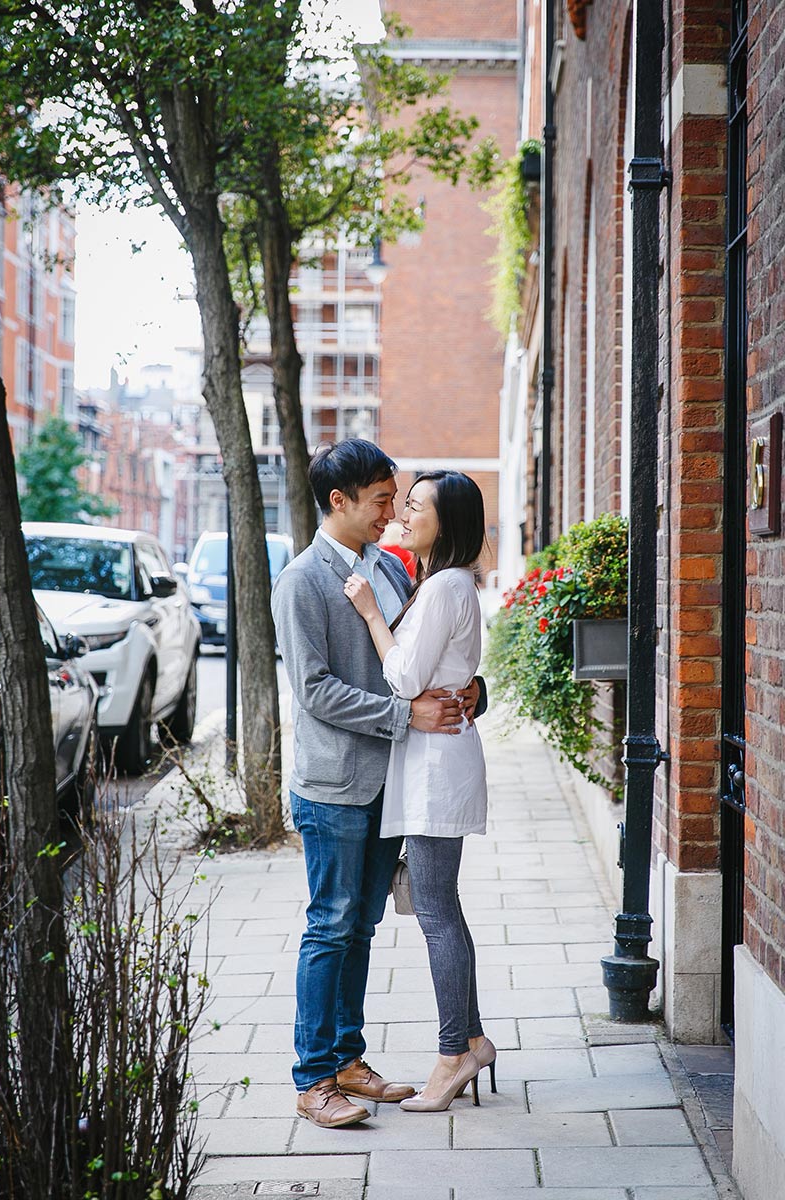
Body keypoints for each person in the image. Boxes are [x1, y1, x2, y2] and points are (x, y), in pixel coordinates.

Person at [271, 440, 485, 1129]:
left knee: (360, 926)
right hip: (334, 784)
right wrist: (405, 712)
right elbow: (313, 692)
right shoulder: (302, 581)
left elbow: (422, 653)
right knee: (330, 926)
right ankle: (313, 1080)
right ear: (340, 501)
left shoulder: (382, 573)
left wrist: (470, 688)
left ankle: (347, 1059)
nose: (393, 512)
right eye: (382, 500)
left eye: (398, 499)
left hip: (384, 783)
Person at [343, 469, 496, 1113]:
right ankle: (472, 1038)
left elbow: (404, 678)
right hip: (436, 761)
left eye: (417, 505)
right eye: (405, 501)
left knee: (434, 911)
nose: (405, 510)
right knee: (440, 907)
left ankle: (454, 1052)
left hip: (437, 767)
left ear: (446, 522)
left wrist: (372, 612)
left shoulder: (444, 588)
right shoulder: (443, 583)